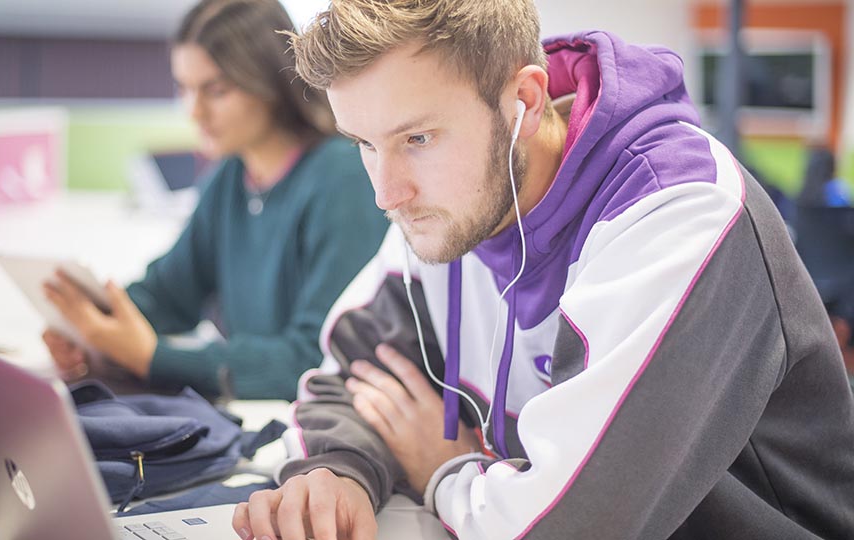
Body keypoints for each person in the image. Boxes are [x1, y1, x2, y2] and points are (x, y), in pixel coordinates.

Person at [231, 1, 854, 539]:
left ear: (524, 103)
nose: (386, 193)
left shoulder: (679, 212)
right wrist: (335, 472)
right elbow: (349, 373)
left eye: (417, 138)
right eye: (365, 144)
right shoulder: (455, 210)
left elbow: (566, 530)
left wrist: (444, 469)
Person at [41, 0, 388, 401]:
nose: (195, 112)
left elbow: (313, 356)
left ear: (272, 83)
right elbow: (168, 294)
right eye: (184, 89)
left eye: (216, 90)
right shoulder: (228, 177)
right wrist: (93, 327)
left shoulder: (341, 178)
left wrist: (154, 358)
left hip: (309, 422)